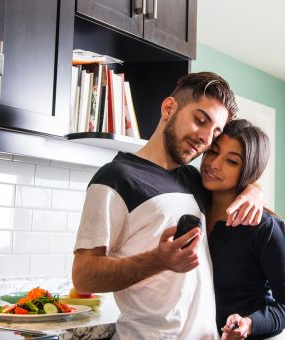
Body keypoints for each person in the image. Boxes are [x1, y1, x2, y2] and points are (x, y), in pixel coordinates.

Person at [72, 72, 265, 340]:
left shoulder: (194, 180)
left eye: (215, 132)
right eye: (200, 120)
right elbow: (83, 276)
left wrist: (255, 190)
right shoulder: (116, 178)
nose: (206, 139)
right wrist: (158, 261)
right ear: (169, 108)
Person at [201, 119, 285, 340]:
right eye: (213, 151)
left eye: (231, 161)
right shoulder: (192, 205)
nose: (215, 164)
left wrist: (249, 323)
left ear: (249, 169)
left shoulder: (265, 228)